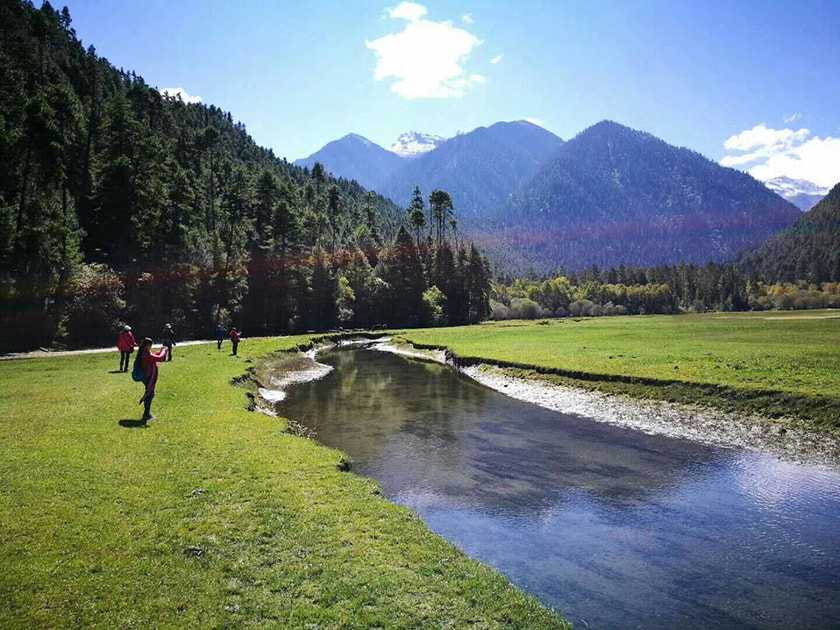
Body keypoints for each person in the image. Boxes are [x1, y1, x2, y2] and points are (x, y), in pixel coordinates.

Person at [138, 337, 167, 421]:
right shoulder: (145, 353)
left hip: (148, 376)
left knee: (150, 393)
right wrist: (163, 351)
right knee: (150, 394)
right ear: (148, 345)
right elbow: (159, 358)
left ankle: (146, 413)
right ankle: (146, 414)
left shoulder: (144, 351)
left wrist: (161, 351)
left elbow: (154, 356)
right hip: (148, 377)